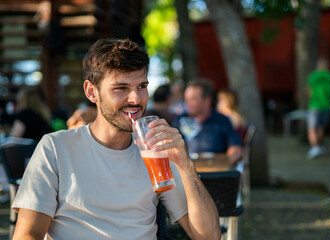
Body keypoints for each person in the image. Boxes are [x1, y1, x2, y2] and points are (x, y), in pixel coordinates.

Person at [12, 39, 220, 240]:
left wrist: (185, 165)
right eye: (121, 88)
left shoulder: (156, 152)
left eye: (141, 86)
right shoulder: (56, 148)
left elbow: (209, 236)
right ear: (91, 92)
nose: (136, 99)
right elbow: (27, 234)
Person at [172, 79, 242, 166]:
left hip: (215, 172)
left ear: (207, 100)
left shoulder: (222, 120)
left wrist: (222, 167)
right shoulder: (180, 120)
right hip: (187, 171)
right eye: (186, 99)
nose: (187, 103)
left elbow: (235, 149)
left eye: (193, 99)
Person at [306, 57, 330, 159]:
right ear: (327, 66)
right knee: (321, 127)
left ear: (318, 66)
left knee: (311, 128)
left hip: (314, 105)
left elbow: (308, 91)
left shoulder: (313, 76)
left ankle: (315, 148)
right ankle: (318, 147)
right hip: (326, 105)